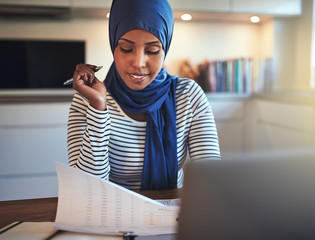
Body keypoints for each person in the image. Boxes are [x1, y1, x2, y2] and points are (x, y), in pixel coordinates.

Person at [67, 0, 221, 191]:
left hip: (173, 214)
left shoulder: (188, 95)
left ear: (165, 49)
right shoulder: (88, 99)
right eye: (126, 48)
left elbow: (210, 178)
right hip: (113, 214)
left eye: (152, 50)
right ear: (113, 45)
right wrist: (98, 108)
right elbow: (87, 189)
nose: (139, 62)